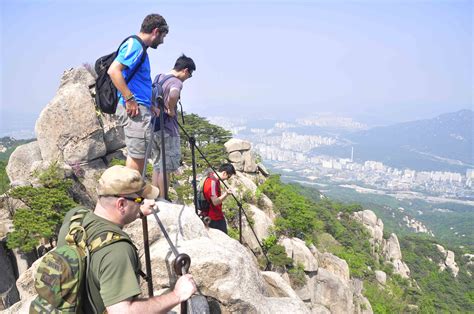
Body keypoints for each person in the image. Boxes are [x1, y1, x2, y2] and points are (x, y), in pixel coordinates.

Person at [56, 165, 197, 313]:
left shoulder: (75, 219)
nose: (143, 202)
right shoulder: (117, 250)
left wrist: (138, 211)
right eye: (139, 199)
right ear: (121, 204)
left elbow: (104, 225)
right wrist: (176, 295)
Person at [108, 13, 169, 174]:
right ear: (156, 31)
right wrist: (130, 99)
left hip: (141, 107)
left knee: (139, 154)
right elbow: (114, 71)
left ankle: (133, 194)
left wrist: (150, 105)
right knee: (137, 155)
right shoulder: (135, 45)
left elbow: (138, 81)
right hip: (134, 109)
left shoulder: (140, 48)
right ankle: (131, 196)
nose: (162, 41)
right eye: (163, 36)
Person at [151, 55, 196, 198]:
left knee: (157, 166)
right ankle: (163, 198)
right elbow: (174, 93)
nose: (186, 79)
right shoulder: (176, 81)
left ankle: (155, 197)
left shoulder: (159, 77)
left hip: (154, 126)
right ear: (185, 70)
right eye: (189, 75)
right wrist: (170, 108)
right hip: (168, 128)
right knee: (166, 167)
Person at [202, 163, 236, 234]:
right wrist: (226, 194)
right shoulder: (212, 182)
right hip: (214, 218)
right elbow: (215, 202)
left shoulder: (212, 177)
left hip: (213, 215)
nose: (227, 179)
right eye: (228, 177)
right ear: (224, 173)